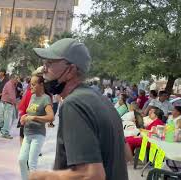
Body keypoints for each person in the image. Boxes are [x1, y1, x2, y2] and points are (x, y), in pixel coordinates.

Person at [30, 38, 128, 180]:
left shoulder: (73, 104)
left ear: (71, 70)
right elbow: (127, 154)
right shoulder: (101, 100)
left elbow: (92, 175)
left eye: (49, 63)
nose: (43, 69)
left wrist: (44, 176)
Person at [18, 74, 54, 180]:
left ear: (41, 85)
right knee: (21, 160)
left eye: (33, 84)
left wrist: (34, 118)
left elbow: (51, 117)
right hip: (27, 133)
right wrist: (25, 117)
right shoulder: (33, 96)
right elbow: (30, 112)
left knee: (32, 163)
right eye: (30, 84)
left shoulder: (45, 98)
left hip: (38, 134)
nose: (31, 87)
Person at [0, 74, 18, 139]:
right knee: (8, 119)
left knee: (10, 118)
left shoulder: (11, 84)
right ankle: (5, 132)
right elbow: (12, 96)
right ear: (12, 78)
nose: (17, 80)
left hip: (7, 103)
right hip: (8, 103)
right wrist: (16, 104)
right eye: (16, 78)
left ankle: (4, 130)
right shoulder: (10, 84)